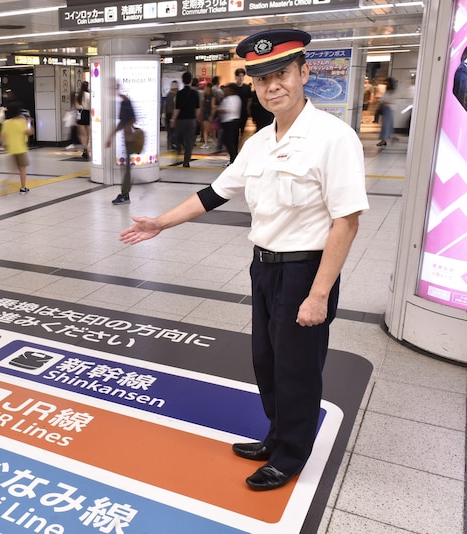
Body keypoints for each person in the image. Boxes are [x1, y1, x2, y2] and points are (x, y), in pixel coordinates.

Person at [119, 29, 369, 492]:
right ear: (254, 85)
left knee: (296, 367)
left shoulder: (334, 138)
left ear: (304, 73)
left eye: (282, 75)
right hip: (265, 267)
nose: (273, 86)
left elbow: (346, 223)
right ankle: (277, 437)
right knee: (266, 361)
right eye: (263, 79)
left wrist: (318, 295)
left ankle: (291, 454)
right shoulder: (259, 142)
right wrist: (160, 223)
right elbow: (214, 194)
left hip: (305, 271)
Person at [107, 82, 137, 205]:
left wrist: (111, 136)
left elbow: (130, 119)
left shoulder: (125, 101)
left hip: (129, 138)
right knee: (126, 168)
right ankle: (125, 193)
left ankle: (125, 195)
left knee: (127, 169)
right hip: (128, 137)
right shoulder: (123, 101)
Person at [0, 101, 34, 194]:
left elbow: (2, 136)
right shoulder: (21, 122)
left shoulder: (6, 123)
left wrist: (2, 145)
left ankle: (5, 181)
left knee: (15, 169)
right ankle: (23, 187)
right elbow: (29, 132)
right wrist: (29, 123)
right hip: (21, 149)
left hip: (11, 149)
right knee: (22, 169)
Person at [170, 71, 200, 168]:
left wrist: (173, 120)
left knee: (179, 137)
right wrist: (196, 119)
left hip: (180, 120)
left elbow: (177, 109)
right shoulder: (195, 93)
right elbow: (197, 109)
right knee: (190, 141)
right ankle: (186, 161)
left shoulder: (179, 94)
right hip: (191, 120)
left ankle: (180, 149)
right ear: (191, 81)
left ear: (182, 81)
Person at [218, 83, 241, 165]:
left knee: (230, 142)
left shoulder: (232, 98)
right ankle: (233, 159)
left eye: (227, 89)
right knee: (230, 142)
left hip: (230, 123)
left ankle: (233, 160)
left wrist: (217, 109)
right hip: (230, 123)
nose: (224, 91)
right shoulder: (233, 98)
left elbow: (228, 110)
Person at [233, 68, 253, 139]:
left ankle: (241, 144)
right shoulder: (233, 87)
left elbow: (250, 99)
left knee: (243, 129)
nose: (241, 78)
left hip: (243, 112)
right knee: (235, 131)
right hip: (234, 113)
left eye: (242, 76)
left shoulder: (247, 87)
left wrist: (248, 108)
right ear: (236, 77)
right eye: (239, 76)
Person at [377, 77, 396, 146]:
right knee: (386, 125)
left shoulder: (392, 92)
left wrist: (383, 102)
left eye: (387, 83)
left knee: (386, 125)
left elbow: (391, 101)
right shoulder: (387, 91)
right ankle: (388, 138)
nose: (385, 84)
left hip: (388, 109)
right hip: (386, 109)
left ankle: (384, 139)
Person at [75, 81, 91, 160]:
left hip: (80, 113)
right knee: (88, 134)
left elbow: (76, 106)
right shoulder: (89, 95)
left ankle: (86, 149)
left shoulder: (78, 95)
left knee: (81, 134)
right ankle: (87, 149)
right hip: (87, 113)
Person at [200, 82, 218, 148]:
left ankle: (207, 143)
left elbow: (213, 107)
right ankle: (210, 142)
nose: (205, 88)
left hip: (209, 114)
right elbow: (203, 106)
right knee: (207, 129)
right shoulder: (205, 96)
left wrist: (211, 116)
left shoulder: (212, 97)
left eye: (206, 87)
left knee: (208, 129)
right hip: (205, 113)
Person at [163, 80, 179, 151]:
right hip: (173, 115)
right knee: (174, 131)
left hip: (167, 115)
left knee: (169, 131)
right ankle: (174, 144)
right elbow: (176, 107)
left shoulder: (167, 95)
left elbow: (165, 106)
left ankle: (169, 144)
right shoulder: (175, 95)